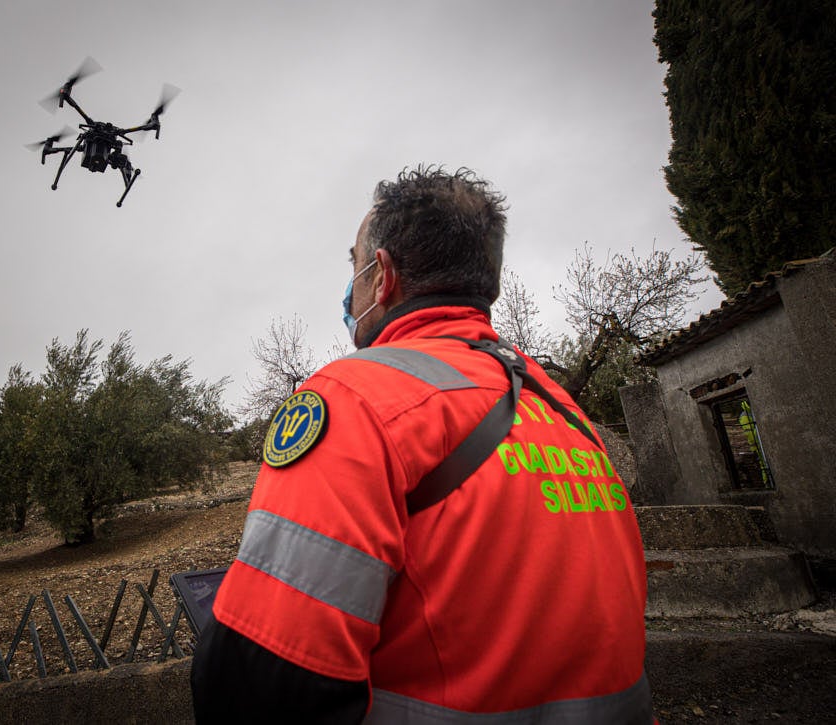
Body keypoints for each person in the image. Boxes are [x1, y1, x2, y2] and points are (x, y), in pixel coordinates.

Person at [191, 166, 652, 723]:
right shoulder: (560, 408)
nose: (350, 287)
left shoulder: (353, 401)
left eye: (353, 266)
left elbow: (268, 684)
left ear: (381, 276)